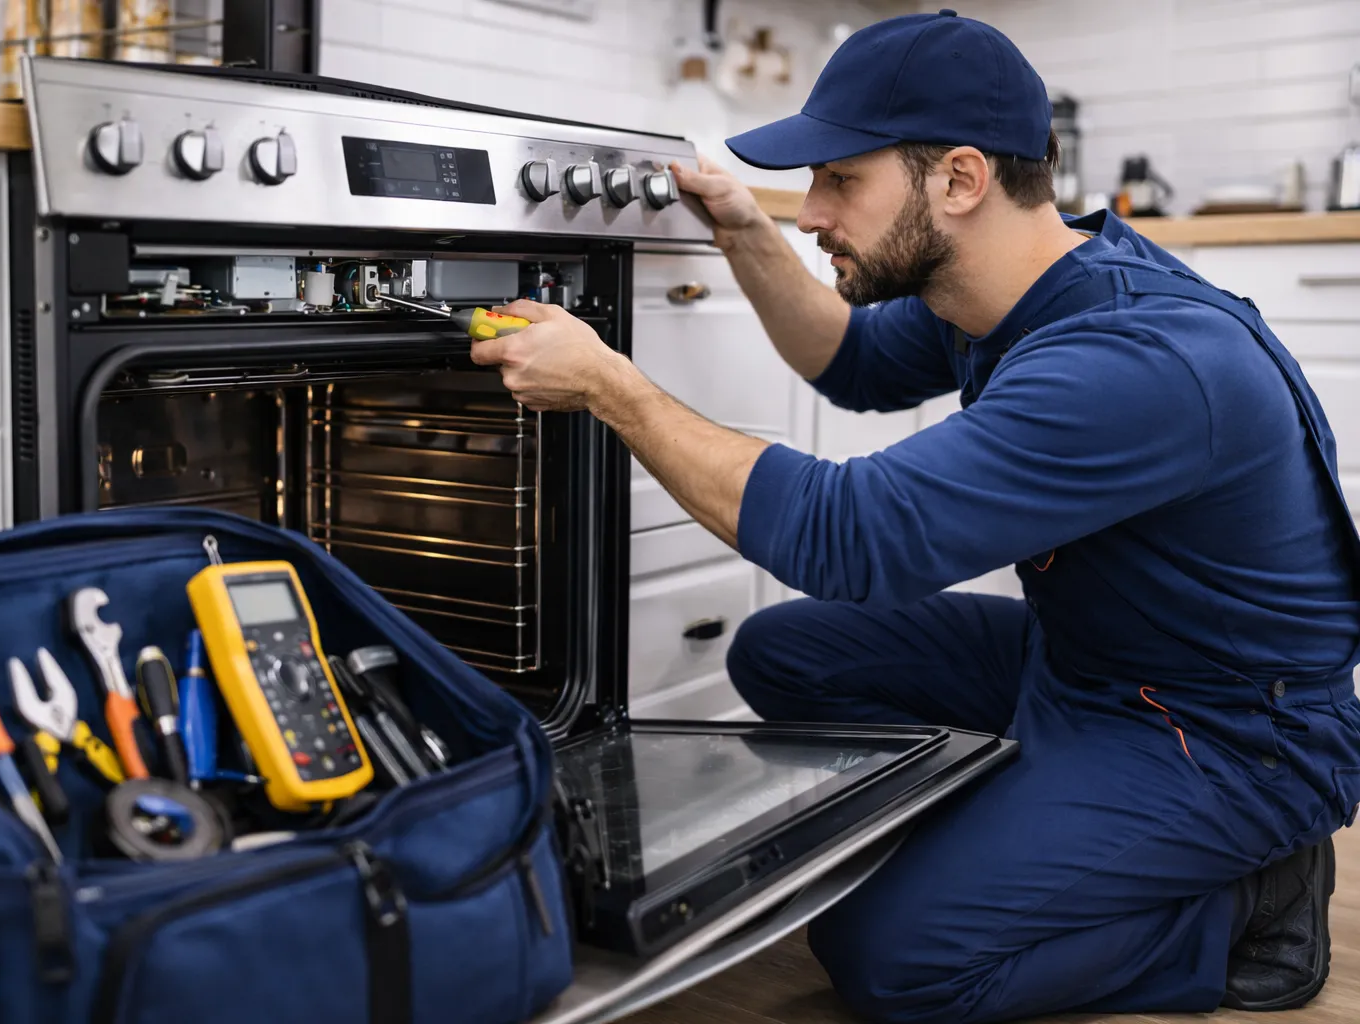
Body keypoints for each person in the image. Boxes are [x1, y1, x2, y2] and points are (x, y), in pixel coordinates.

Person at [469, 9, 1360, 1023]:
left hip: (1231, 728)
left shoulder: (1133, 360)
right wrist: (745, 232)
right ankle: (1040, 828)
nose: (812, 210)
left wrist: (610, 387)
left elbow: (851, 536)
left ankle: (1251, 901)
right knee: (780, 656)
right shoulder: (1005, 289)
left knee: (888, 955)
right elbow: (848, 361)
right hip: (1088, 659)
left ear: (960, 180)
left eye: (839, 180)